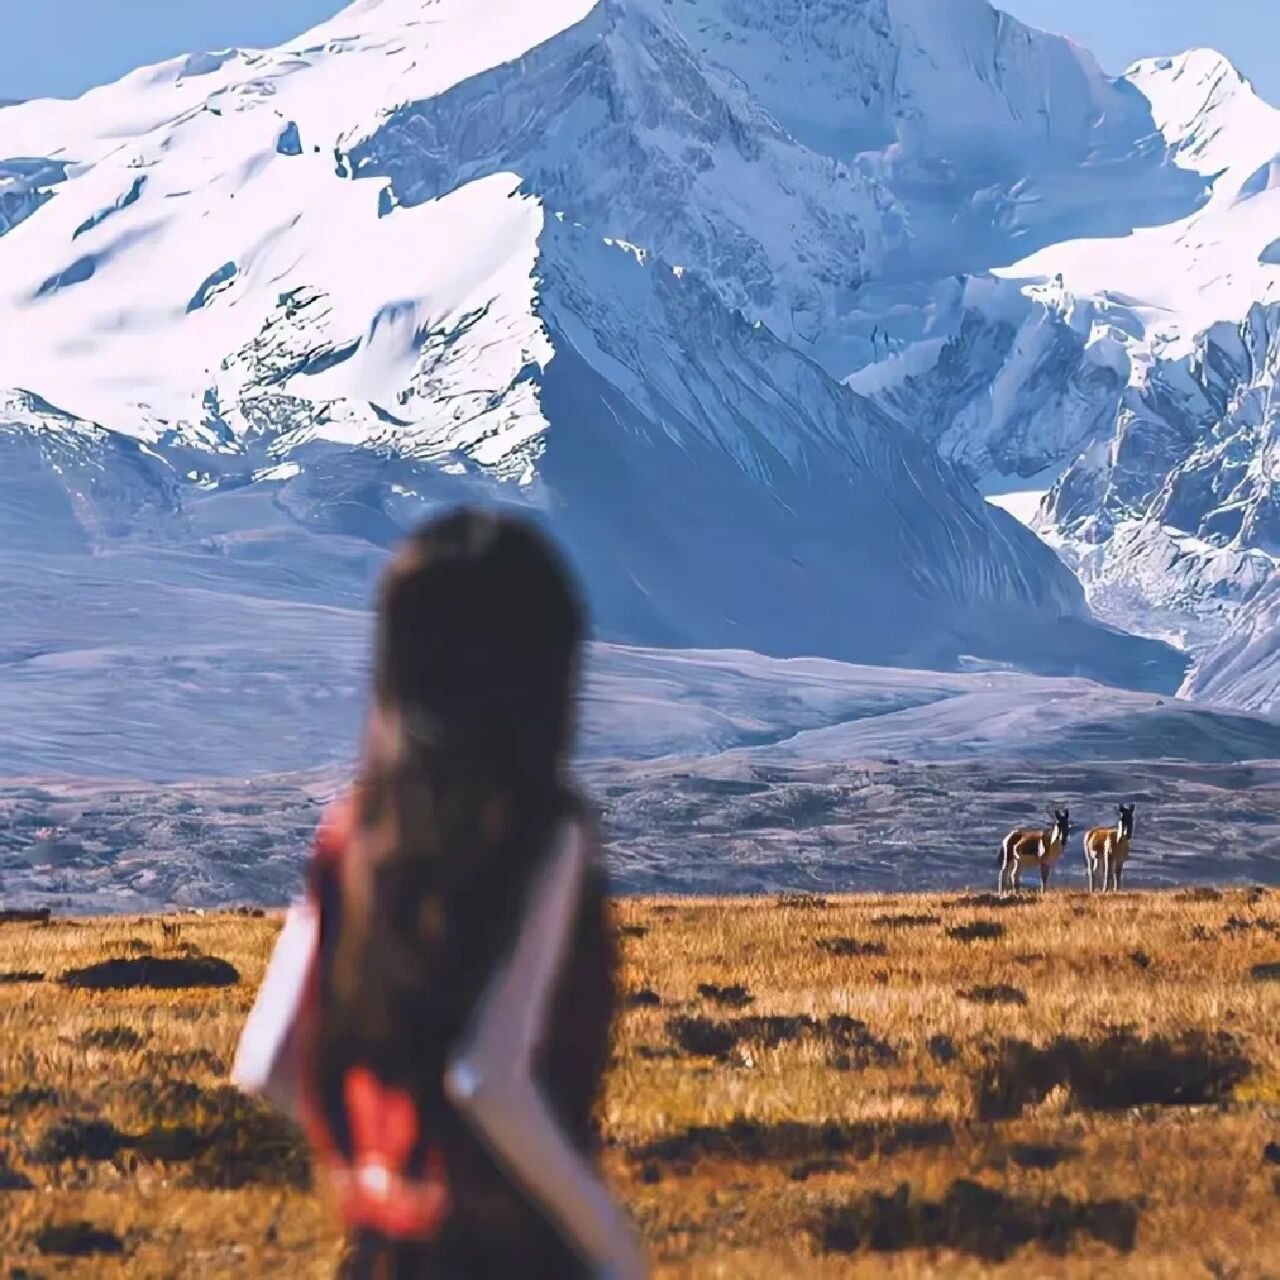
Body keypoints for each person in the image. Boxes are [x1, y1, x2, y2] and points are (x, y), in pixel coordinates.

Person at [232, 509, 647, 1280]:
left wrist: (379, 1167)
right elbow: (489, 1077)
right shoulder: (546, 831)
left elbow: (269, 1063)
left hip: (383, 1249)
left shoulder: (350, 830)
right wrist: (609, 1244)